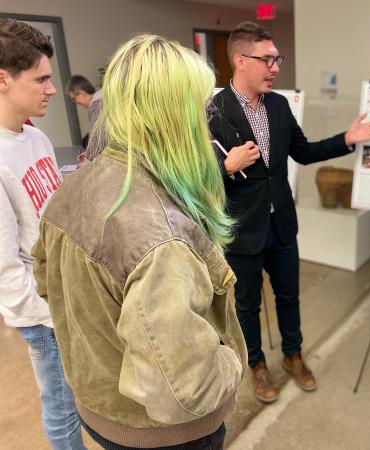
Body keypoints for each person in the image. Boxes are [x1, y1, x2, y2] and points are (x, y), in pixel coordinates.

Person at [33, 35, 246, 450]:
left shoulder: (70, 189)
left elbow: (47, 282)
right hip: (161, 435)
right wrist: (232, 357)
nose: (207, 123)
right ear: (175, 116)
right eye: (202, 109)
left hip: (100, 407)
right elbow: (186, 391)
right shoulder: (159, 237)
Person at [209, 21, 370, 403]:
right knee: (246, 305)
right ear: (240, 60)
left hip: (282, 225)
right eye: (267, 59)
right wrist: (224, 168)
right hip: (241, 229)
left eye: (278, 59)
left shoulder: (278, 105)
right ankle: (256, 364)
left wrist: (347, 139)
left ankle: (293, 355)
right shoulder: (212, 110)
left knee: (290, 297)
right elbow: (194, 176)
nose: (275, 67)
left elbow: (303, 152)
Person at [0, 19, 86, 450]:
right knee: (62, 407)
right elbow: (5, 270)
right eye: (41, 79)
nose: (52, 89)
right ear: (3, 79)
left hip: (67, 294)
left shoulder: (33, 134)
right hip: (43, 313)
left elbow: (52, 203)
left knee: (82, 397)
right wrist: (47, 316)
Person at [66, 74, 103, 160]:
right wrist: (89, 152)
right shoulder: (103, 97)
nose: (75, 102)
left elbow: (100, 137)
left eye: (74, 98)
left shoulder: (96, 106)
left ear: (81, 93)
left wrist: (88, 159)